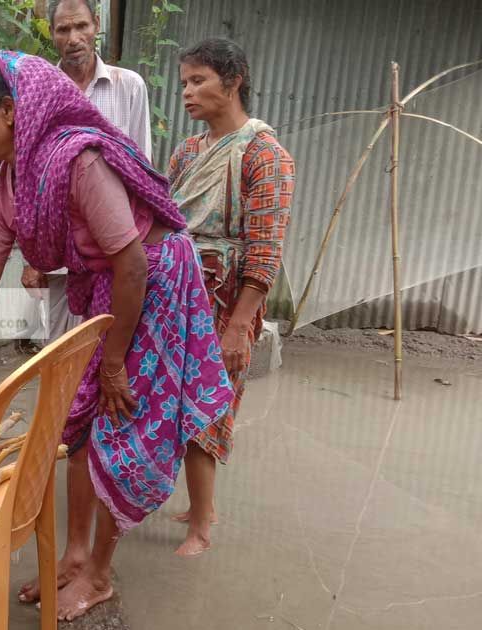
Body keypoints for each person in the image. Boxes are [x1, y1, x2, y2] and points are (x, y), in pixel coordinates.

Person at [0, 51, 233, 621]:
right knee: (77, 422)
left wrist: (115, 363)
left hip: (155, 278)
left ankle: (98, 575)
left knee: (120, 421)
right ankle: (72, 557)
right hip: (105, 285)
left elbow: (134, 264)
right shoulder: (5, 190)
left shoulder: (77, 162)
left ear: (13, 111)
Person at [166, 38, 295, 557]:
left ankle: (201, 529)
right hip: (177, 298)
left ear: (233, 80)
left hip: (224, 304)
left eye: (198, 81)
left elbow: (265, 251)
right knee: (175, 404)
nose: (187, 93)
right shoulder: (188, 153)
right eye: (183, 84)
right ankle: (203, 505)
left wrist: (239, 325)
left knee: (207, 410)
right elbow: (165, 221)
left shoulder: (266, 156)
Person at [19, 0, 155, 352]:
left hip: (118, 249)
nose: (74, 38)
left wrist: (141, 251)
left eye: (81, 26)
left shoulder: (128, 87)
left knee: (116, 353)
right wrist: (32, 259)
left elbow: (142, 170)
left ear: (97, 24)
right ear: (52, 34)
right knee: (60, 356)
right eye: (63, 30)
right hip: (61, 252)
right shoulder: (37, 93)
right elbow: (28, 176)